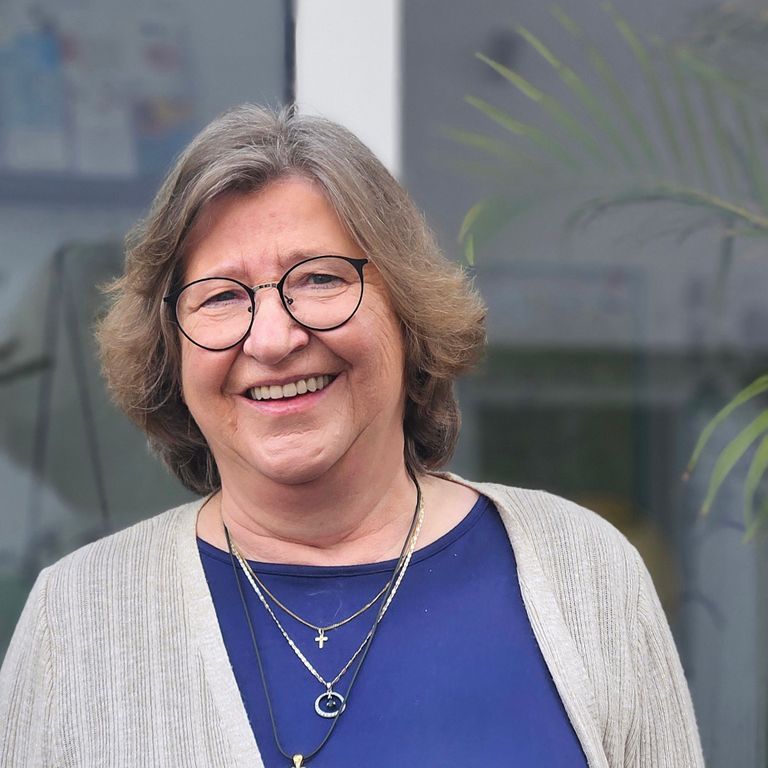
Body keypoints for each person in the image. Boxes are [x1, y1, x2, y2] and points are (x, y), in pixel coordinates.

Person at [0, 104, 704, 767]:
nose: (272, 339)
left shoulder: (587, 574)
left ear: (406, 307)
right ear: (170, 350)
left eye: (318, 279)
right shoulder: (76, 623)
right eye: (221, 296)